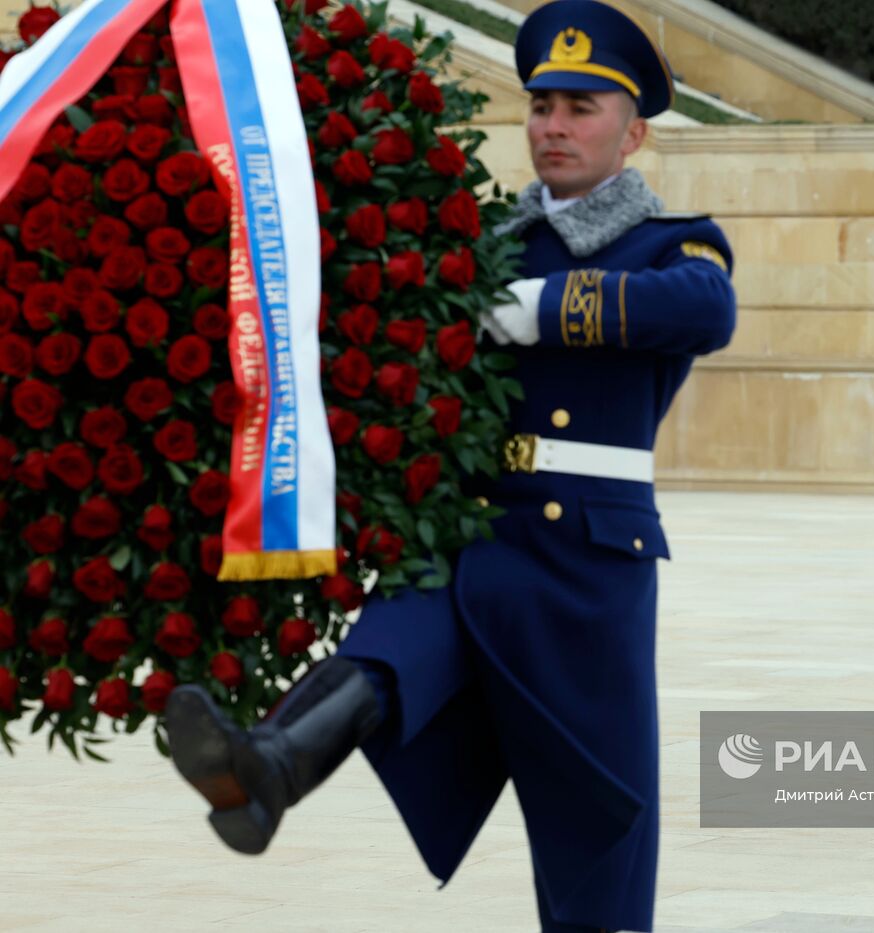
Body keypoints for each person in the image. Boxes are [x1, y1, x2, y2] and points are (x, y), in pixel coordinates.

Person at [164, 2, 737, 929]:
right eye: (542, 104)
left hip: (583, 560)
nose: (554, 125)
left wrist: (536, 308)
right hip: (472, 527)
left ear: (632, 133)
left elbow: (703, 309)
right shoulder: (480, 241)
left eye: (581, 108)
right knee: (390, 647)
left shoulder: (672, 244)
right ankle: (271, 765)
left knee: (596, 822)